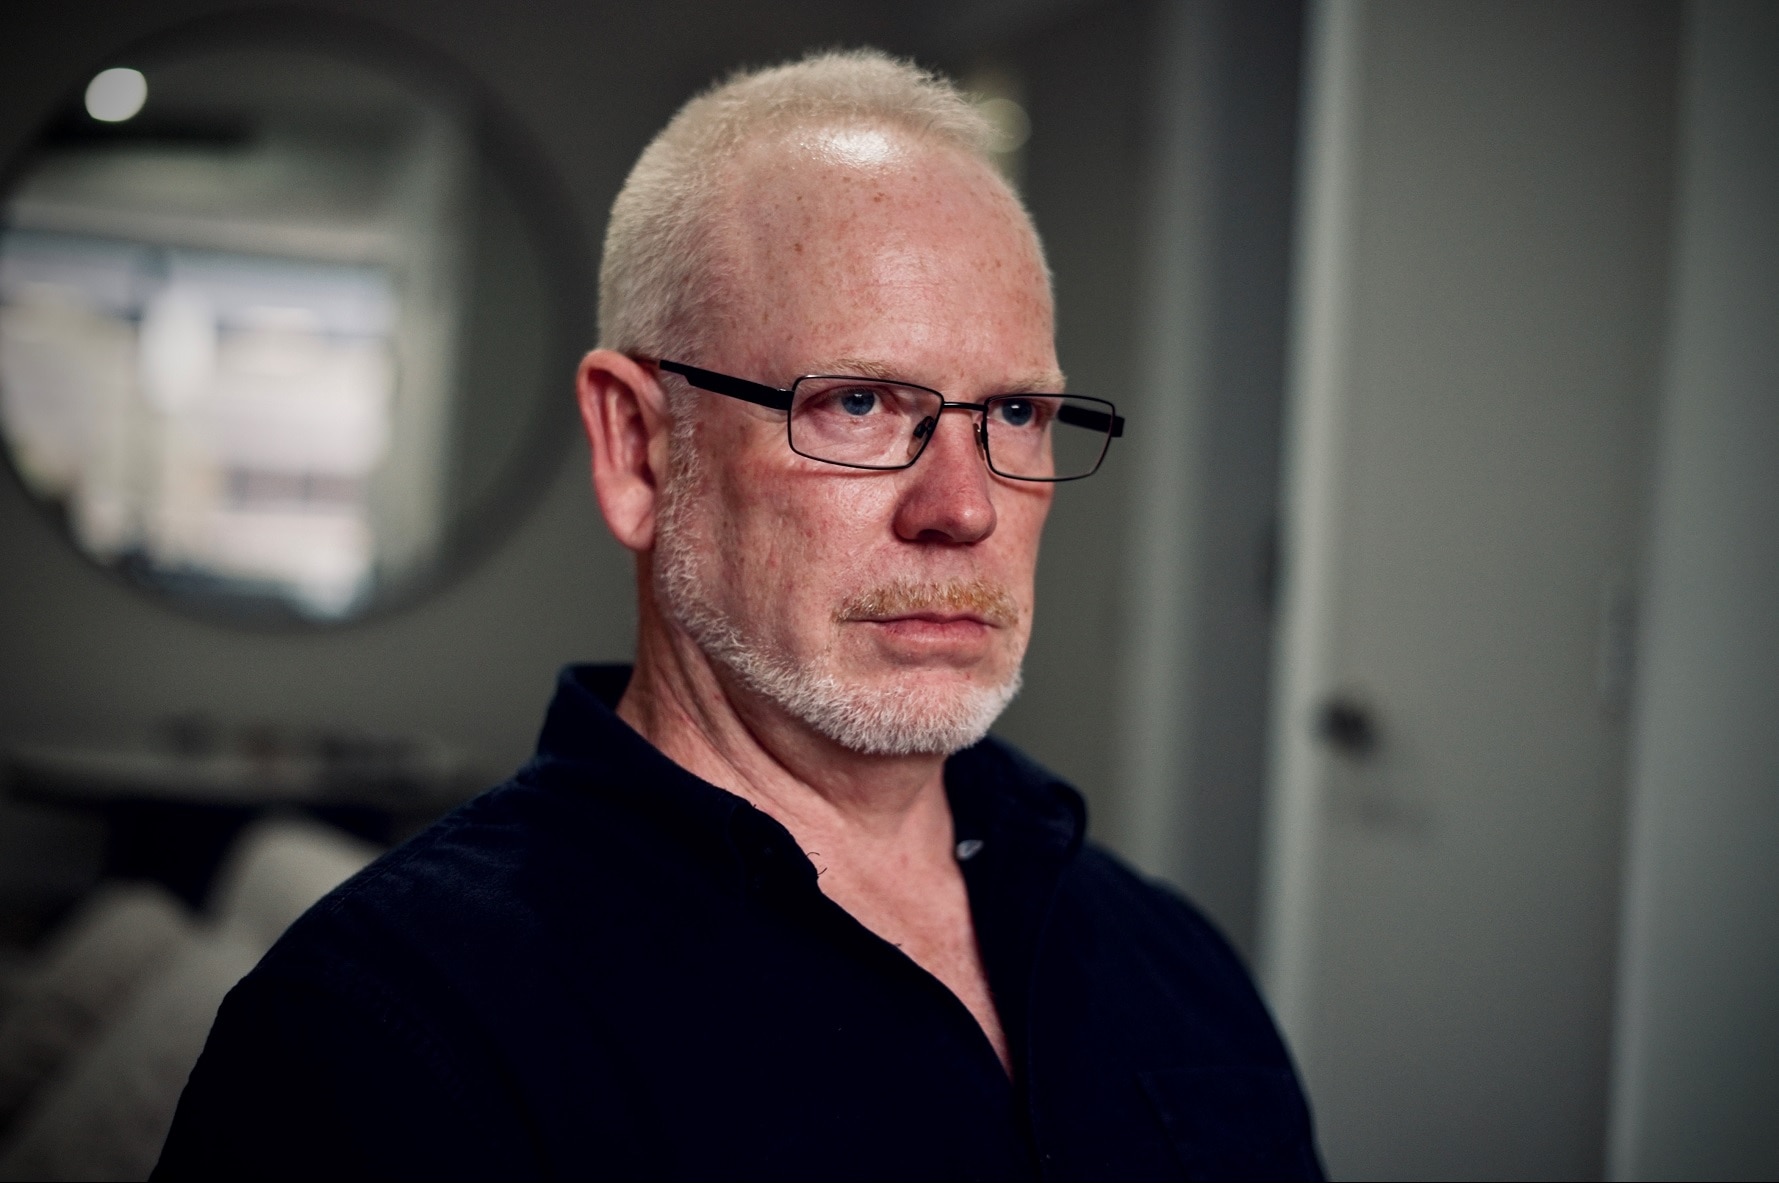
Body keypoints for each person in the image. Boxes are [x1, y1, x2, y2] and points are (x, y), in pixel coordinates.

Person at [154, 50, 1321, 1181]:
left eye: (1014, 412)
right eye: (860, 402)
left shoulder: (1174, 961)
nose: (963, 507)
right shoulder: (384, 1036)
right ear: (639, 448)